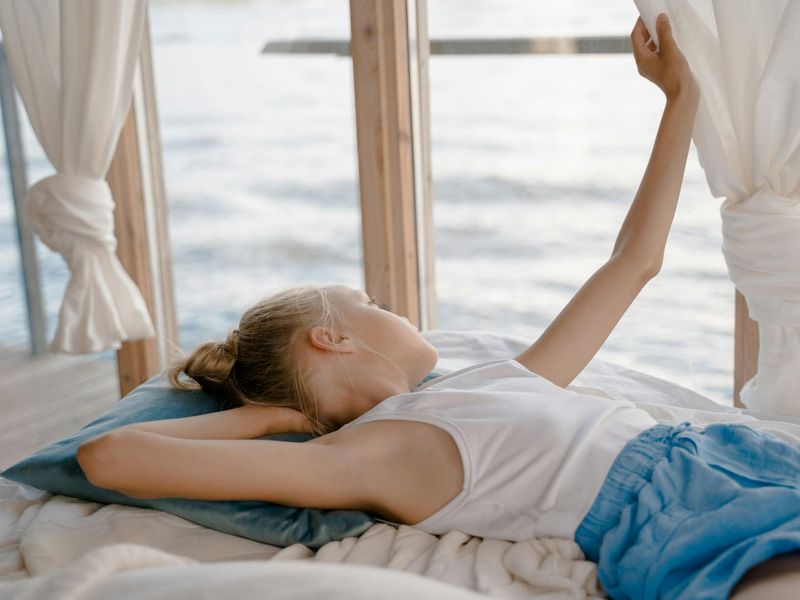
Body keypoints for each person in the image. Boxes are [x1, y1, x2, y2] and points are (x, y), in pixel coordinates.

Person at [76, 13, 800, 600]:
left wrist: (681, 101)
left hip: (724, 455)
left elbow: (634, 262)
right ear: (332, 339)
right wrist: (275, 419)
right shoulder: (365, 455)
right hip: (674, 513)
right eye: (370, 302)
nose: (394, 309)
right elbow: (108, 456)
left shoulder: (488, 381)